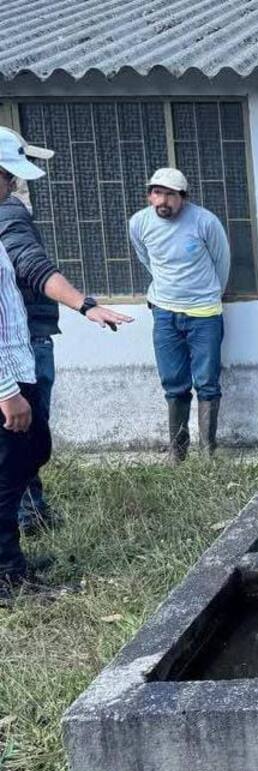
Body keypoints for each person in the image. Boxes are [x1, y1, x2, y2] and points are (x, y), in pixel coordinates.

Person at [0, 128, 132, 533]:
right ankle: (23, 526)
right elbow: (33, 266)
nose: (14, 185)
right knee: (21, 445)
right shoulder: (10, 214)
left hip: (21, 345)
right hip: (18, 351)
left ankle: (24, 522)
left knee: (20, 447)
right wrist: (85, 304)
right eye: (11, 175)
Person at [129, 168, 230, 461]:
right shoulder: (139, 223)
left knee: (207, 382)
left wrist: (208, 296)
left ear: (183, 197)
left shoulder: (205, 222)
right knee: (173, 382)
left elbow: (221, 262)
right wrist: (168, 294)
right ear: (149, 195)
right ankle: (178, 453)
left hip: (205, 313)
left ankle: (208, 453)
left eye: (170, 195)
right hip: (164, 313)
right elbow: (146, 259)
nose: (163, 200)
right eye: (157, 193)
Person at [0, 236, 50, 602]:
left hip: (19, 367)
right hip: (6, 380)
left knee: (30, 456)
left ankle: (13, 561)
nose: (13, 187)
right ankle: (7, 577)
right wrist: (6, 391)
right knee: (4, 477)